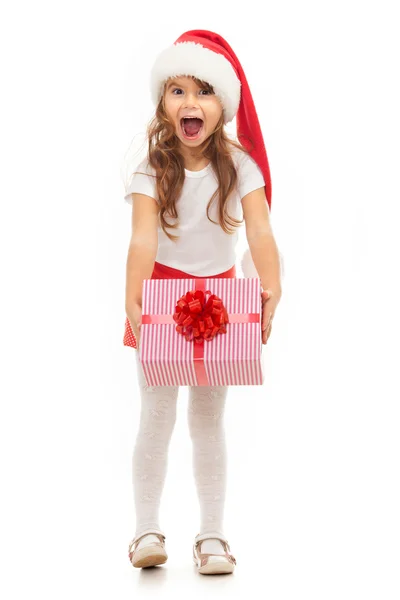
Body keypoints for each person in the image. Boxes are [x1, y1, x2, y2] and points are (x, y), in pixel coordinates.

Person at [123, 30, 282, 575]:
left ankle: (212, 535)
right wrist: (133, 299)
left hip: (222, 304)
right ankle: (146, 528)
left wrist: (272, 285)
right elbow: (144, 238)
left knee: (209, 419)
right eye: (178, 91)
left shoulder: (240, 164)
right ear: (163, 104)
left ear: (223, 106)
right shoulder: (148, 163)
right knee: (157, 415)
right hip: (162, 301)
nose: (191, 103)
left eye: (205, 91)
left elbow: (258, 232)